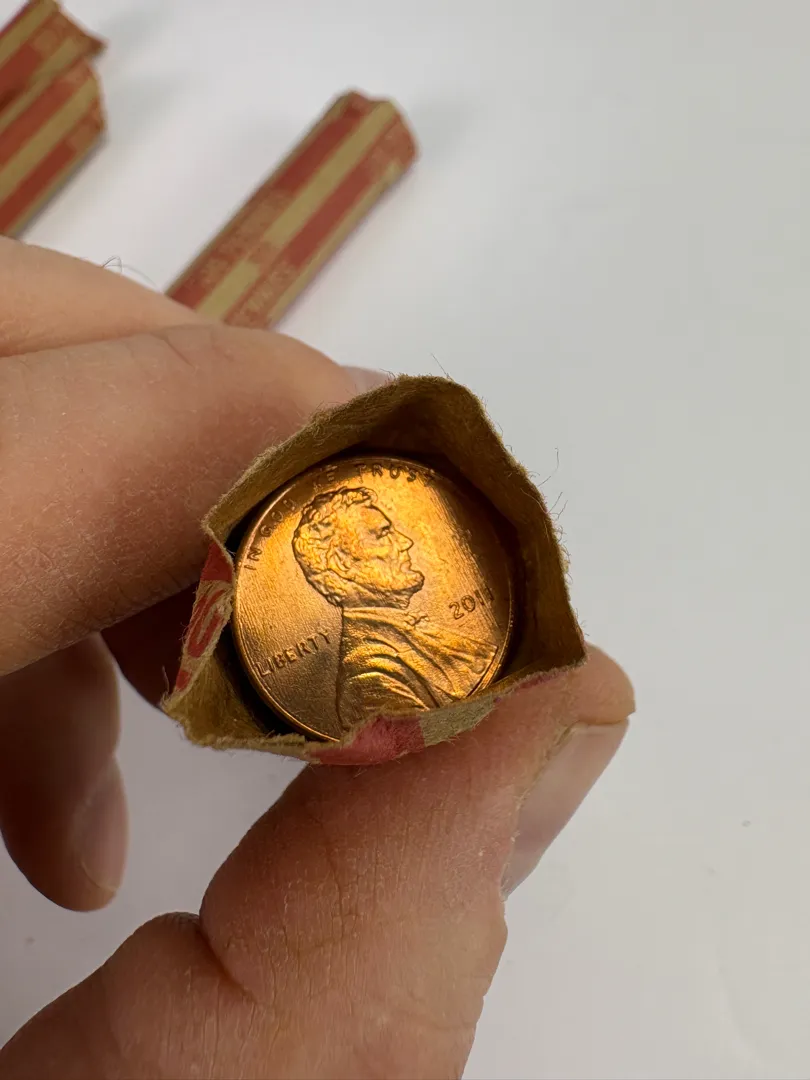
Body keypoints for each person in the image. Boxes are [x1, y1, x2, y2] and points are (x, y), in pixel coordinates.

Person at [0, 237, 633, 1079]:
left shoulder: (438, 647)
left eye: (390, 524)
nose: (404, 543)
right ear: (331, 573)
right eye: (374, 533)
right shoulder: (362, 677)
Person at [292, 486, 498, 728]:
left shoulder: (414, 633)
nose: (405, 542)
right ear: (342, 563)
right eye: (383, 534)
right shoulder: (368, 681)